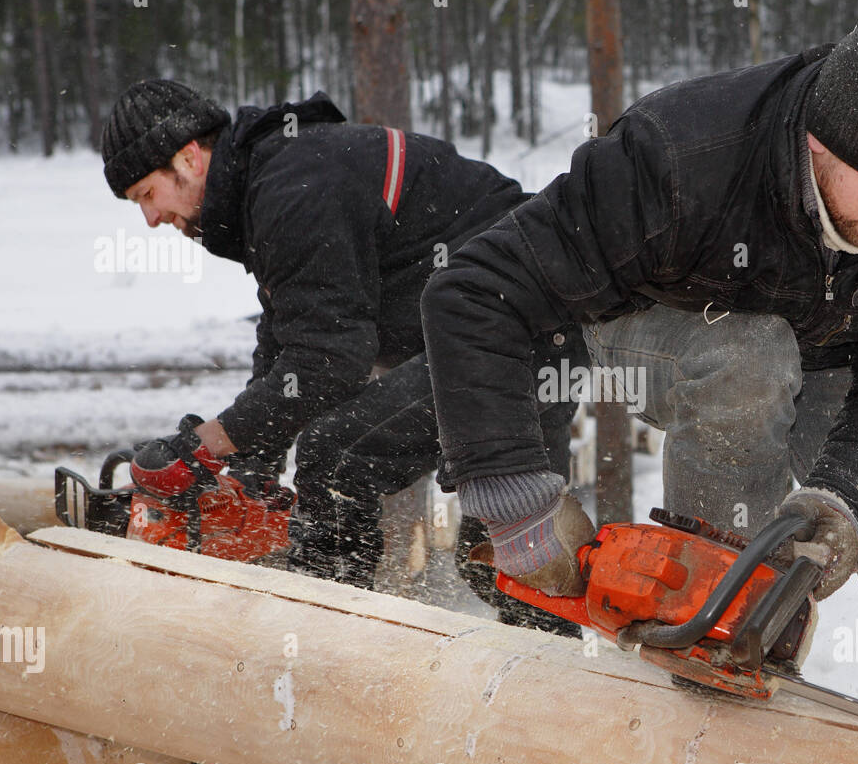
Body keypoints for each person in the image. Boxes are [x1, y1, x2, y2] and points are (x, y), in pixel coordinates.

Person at [421, 19, 858, 731]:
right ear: (820, 147)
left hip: (827, 355)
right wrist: (515, 497)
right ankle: (716, 659)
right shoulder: (679, 155)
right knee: (747, 360)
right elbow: (474, 291)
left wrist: (845, 499)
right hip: (647, 322)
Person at [99, 79, 583, 625]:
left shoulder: (294, 186)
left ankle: (325, 632)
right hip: (518, 328)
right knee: (505, 562)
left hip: (517, 330)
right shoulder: (274, 176)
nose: (150, 218)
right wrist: (247, 454)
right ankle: (565, 665)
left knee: (338, 456)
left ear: (188, 157)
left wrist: (206, 443)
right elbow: (288, 336)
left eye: (146, 195)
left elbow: (330, 360)